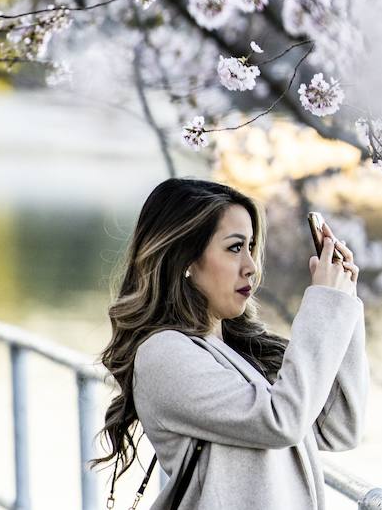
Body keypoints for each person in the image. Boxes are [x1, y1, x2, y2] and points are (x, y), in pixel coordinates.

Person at [91, 178, 367, 509]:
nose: (251, 267)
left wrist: (344, 302)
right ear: (187, 260)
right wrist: (325, 301)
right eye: (235, 248)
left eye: (251, 247)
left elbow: (338, 428)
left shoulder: (238, 352)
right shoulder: (164, 354)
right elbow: (283, 421)